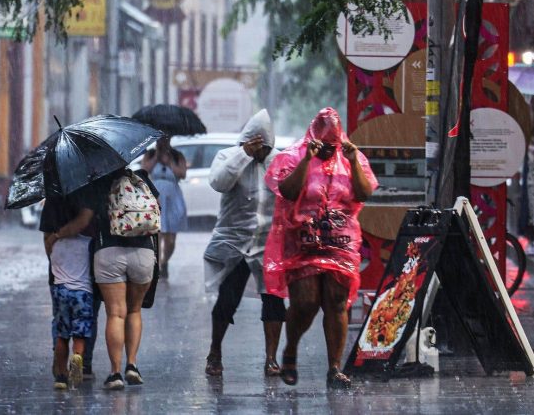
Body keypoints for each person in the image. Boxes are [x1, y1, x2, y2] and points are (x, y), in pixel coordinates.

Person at [264, 107, 377, 389]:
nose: (329, 151)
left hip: (341, 242)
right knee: (306, 302)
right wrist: (307, 160)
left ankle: (334, 367)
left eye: (333, 146)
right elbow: (288, 191)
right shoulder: (292, 156)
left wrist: (350, 159)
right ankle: (290, 350)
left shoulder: (351, 157)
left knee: (337, 303)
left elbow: (364, 193)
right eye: (324, 145)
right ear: (313, 138)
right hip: (303, 242)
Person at [203, 109, 286, 378]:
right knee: (228, 299)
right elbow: (218, 182)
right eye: (255, 146)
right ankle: (215, 352)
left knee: (273, 300)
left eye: (264, 148)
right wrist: (243, 155)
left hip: (268, 243)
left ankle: (271, 358)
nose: (260, 152)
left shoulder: (280, 162)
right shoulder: (228, 156)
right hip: (234, 243)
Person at [88, 167, 160, 390]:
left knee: (116, 313)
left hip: (109, 251)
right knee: (134, 310)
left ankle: (115, 372)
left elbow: (90, 219)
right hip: (143, 252)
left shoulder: (97, 183)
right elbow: (157, 213)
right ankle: (132, 364)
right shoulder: (141, 178)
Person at [40, 195, 96, 390]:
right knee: (80, 334)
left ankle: (61, 376)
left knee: (62, 335)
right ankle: (78, 358)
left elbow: (49, 256)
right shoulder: (87, 243)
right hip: (84, 293)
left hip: (60, 291)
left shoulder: (55, 245)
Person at [141, 136, 188, 279]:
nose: (162, 142)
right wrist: (156, 156)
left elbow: (182, 174)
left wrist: (170, 161)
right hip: (155, 197)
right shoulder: (150, 154)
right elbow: (145, 170)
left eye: (165, 139)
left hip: (173, 197)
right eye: (159, 140)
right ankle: (159, 266)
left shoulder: (177, 155)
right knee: (157, 234)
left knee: (171, 238)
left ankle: (164, 261)